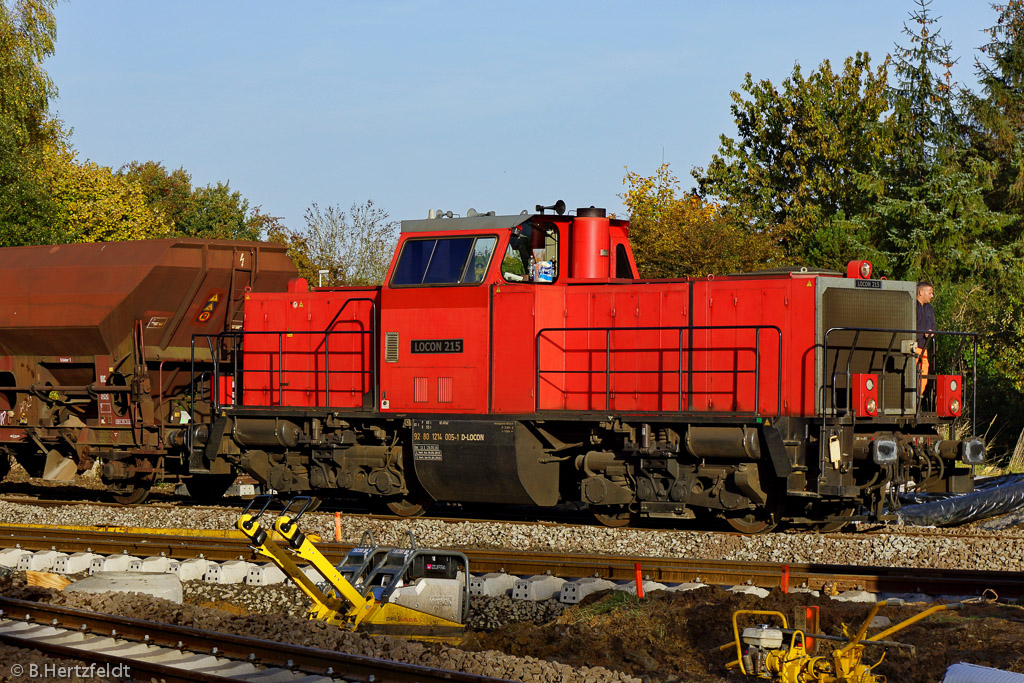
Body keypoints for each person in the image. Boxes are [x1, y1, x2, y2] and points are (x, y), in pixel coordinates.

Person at [915, 281, 936, 394]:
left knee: (923, 376)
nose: (932, 296)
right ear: (920, 292)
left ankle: (918, 399)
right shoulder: (911, 306)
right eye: (930, 293)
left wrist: (931, 333)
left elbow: (933, 327)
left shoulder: (929, 309)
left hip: (924, 349)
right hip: (912, 348)